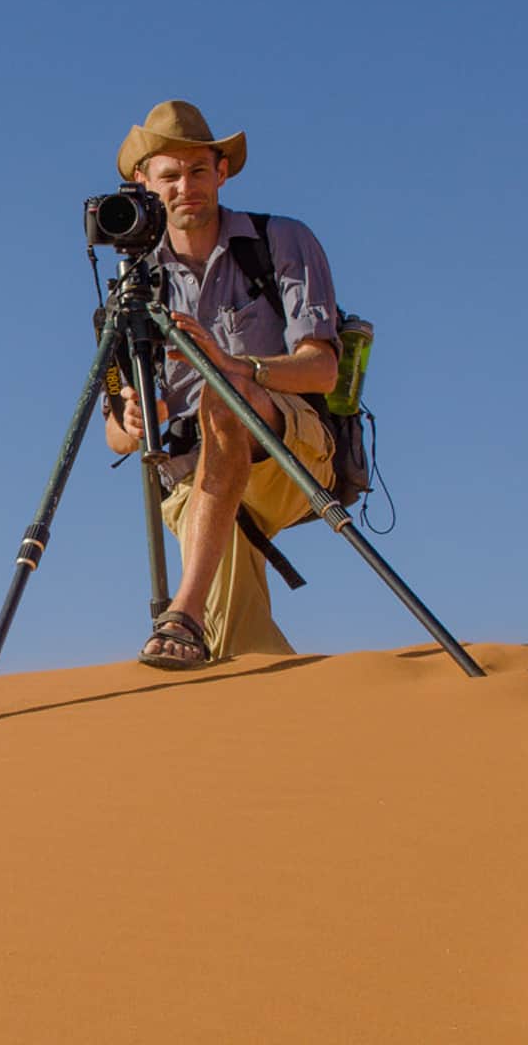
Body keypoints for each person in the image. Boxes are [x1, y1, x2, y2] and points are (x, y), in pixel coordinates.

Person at [101, 100, 341, 669]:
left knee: (222, 398)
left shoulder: (279, 241)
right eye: (170, 175)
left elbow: (322, 368)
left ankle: (179, 611)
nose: (187, 186)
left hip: (289, 450)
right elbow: (114, 436)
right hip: (198, 481)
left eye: (198, 171)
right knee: (240, 652)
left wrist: (236, 368)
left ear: (221, 172)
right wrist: (133, 421)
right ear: (143, 183)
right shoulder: (133, 288)